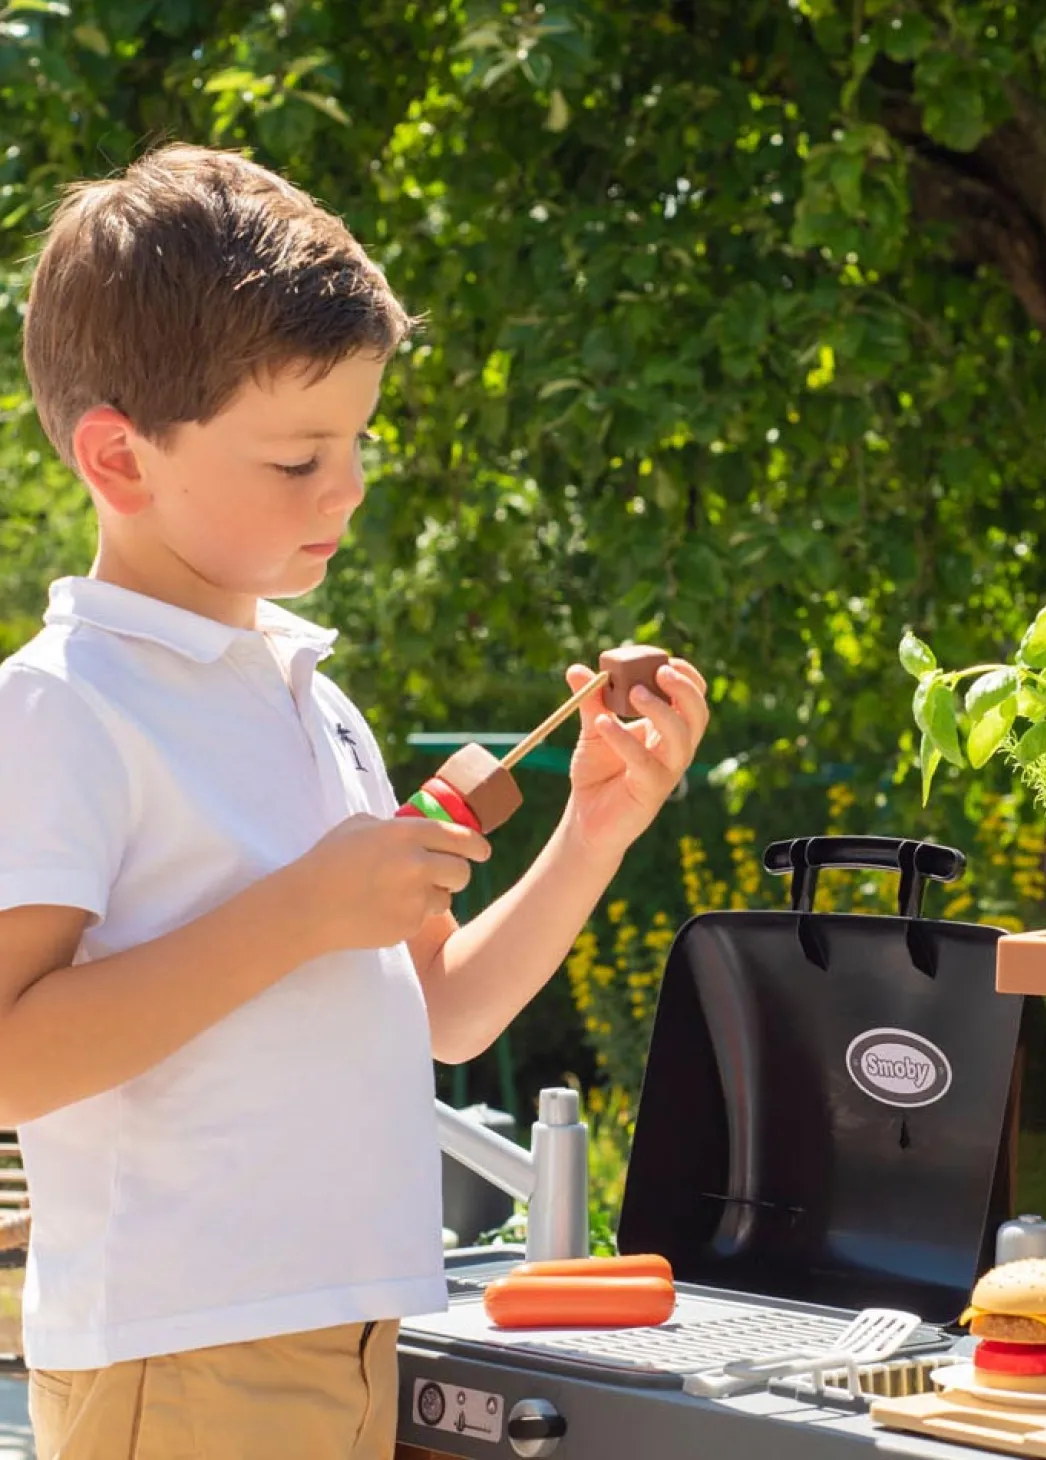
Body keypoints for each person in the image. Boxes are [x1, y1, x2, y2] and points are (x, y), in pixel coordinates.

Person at [0, 143, 709, 1459]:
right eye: (295, 459)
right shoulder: (61, 705)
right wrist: (302, 912)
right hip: (182, 1359)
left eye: (358, 441)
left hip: (355, 1334)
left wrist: (592, 829)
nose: (350, 487)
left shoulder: (308, 699)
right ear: (120, 457)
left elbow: (442, 1014)